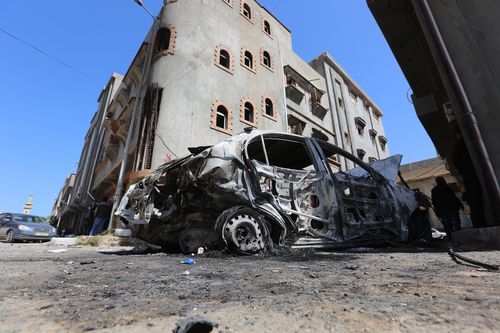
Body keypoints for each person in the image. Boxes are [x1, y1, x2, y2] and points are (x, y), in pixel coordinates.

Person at [431, 177, 464, 241]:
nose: (444, 181)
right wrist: (437, 212)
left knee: (452, 223)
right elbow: (435, 202)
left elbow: (453, 197)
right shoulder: (440, 189)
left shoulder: (444, 188)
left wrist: (460, 205)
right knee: (449, 224)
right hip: (446, 209)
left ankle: (454, 237)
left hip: (449, 209)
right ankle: (453, 238)